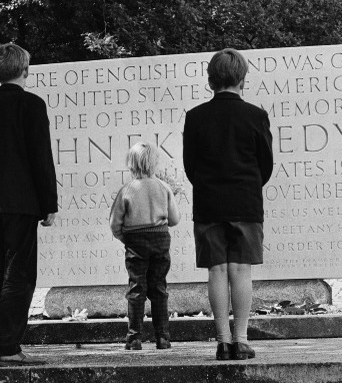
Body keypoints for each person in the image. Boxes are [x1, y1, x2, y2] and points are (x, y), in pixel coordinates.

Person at [0, 43, 58, 367]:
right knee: (19, 275)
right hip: (23, 203)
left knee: (0, 274)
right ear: (25, 71)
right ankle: (8, 348)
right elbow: (40, 159)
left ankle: (1, 346)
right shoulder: (32, 105)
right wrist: (49, 203)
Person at [182, 48, 274, 361]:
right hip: (245, 201)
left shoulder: (195, 117)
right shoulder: (256, 116)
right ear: (242, 78)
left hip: (209, 201)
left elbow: (190, 165)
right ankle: (242, 339)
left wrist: (210, 186)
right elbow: (266, 164)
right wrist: (246, 186)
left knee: (217, 269)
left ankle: (222, 341)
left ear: (210, 79)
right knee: (240, 269)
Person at [109, 142, 180, 351]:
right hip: (159, 240)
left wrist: (126, 239)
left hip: (135, 242)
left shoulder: (127, 190)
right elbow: (174, 219)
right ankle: (163, 337)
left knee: (136, 288)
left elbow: (115, 224)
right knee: (159, 288)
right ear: (154, 163)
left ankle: (134, 338)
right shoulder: (163, 187)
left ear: (131, 164)